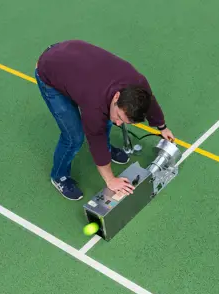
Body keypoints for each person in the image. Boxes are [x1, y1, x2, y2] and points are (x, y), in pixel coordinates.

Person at [35, 40, 175, 201]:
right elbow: (96, 141)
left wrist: (162, 127)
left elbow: (149, 103)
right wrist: (110, 180)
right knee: (74, 137)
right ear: (116, 96)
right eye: (121, 117)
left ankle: (109, 146)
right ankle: (59, 175)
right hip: (50, 68)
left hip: (74, 60)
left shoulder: (138, 84)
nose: (119, 124)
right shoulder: (95, 105)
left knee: (109, 117)